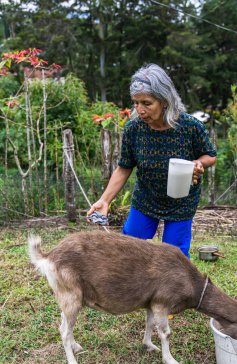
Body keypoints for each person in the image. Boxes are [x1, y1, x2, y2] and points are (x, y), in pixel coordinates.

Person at [87, 63, 217, 259]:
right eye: (136, 103)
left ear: (164, 100)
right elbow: (124, 167)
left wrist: (199, 163)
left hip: (182, 201)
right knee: (129, 248)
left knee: (175, 258)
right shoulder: (134, 129)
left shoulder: (190, 127)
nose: (140, 110)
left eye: (147, 103)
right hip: (146, 198)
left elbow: (210, 155)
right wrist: (104, 200)